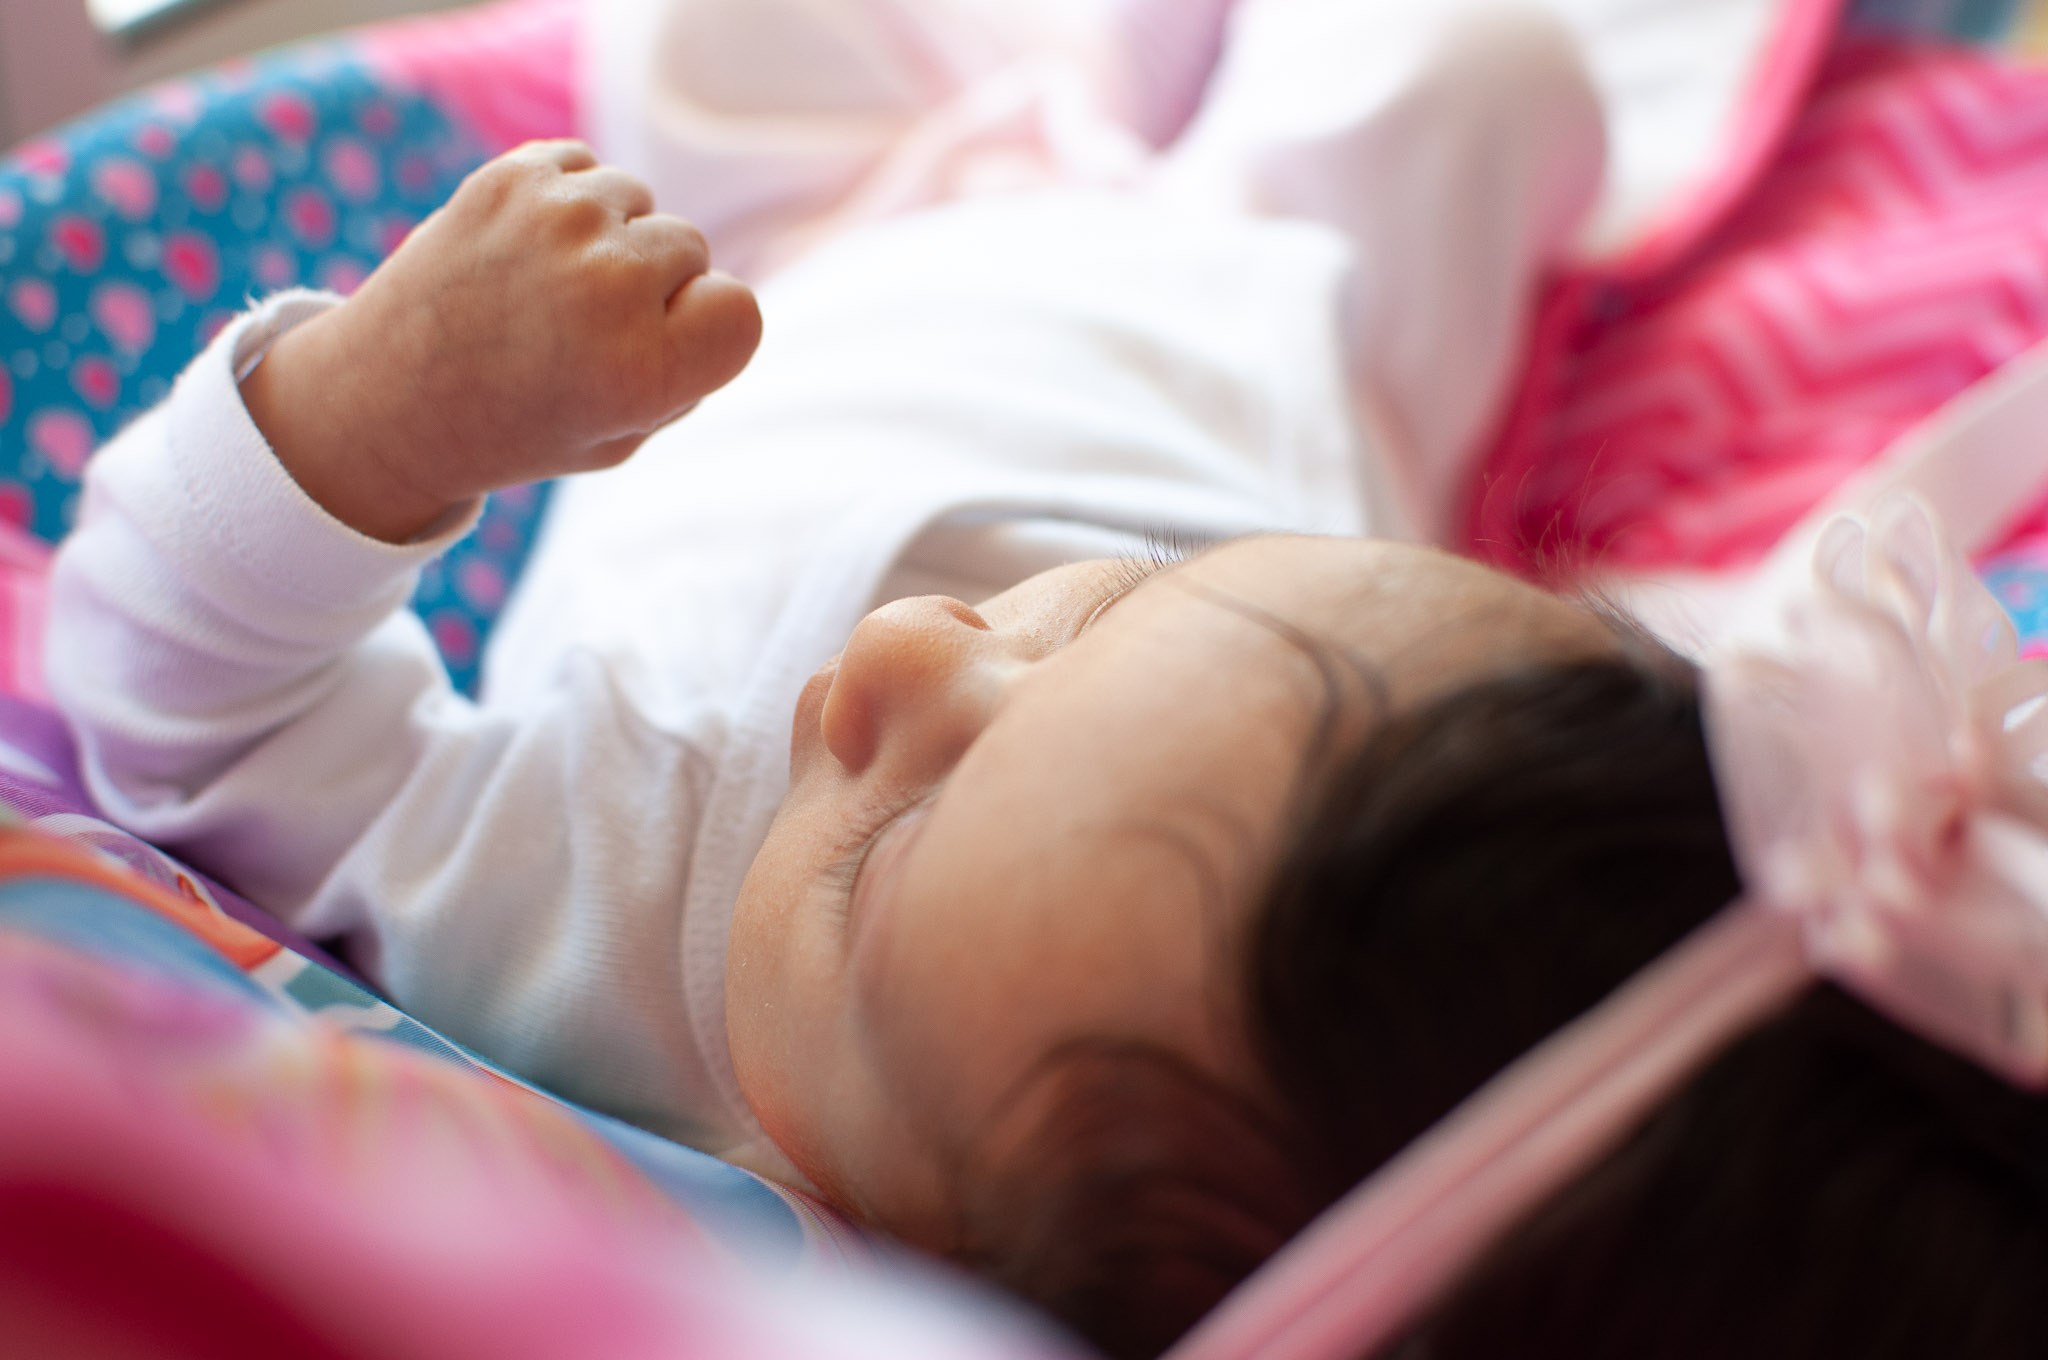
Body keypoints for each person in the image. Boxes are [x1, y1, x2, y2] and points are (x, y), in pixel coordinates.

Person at [45, 1, 2048, 1357]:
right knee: (1475, 76)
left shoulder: (593, 944)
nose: (901, 661)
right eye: (1103, 615)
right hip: (1268, 356)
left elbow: (182, 707)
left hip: (810, 262)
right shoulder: (1259, 799)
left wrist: (381, 411)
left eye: (876, 857)